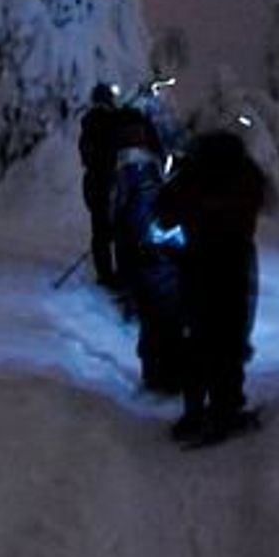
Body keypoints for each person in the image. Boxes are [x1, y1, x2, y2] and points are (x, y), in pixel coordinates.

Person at [155, 128, 267, 441]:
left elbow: (163, 213)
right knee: (230, 336)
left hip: (197, 262)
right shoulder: (246, 173)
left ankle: (194, 412)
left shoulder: (190, 175)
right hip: (235, 262)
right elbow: (256, 201)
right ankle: (225, 408)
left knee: (198, 335)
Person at [110, 102, 185, 393]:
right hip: (152, 243)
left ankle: (159, 373)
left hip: (142, 241)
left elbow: (123, 205)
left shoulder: (130, 166)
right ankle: (163, 376)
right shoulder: (144, 167)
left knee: (154, 312)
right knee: (161, 315)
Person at [78, 83, 122, 289]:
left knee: (104, 230)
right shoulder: (107, 121)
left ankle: (107, 273)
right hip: (105, 181)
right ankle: (110, 274)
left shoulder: (94, 123)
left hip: (100, 181)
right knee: (111, 229)